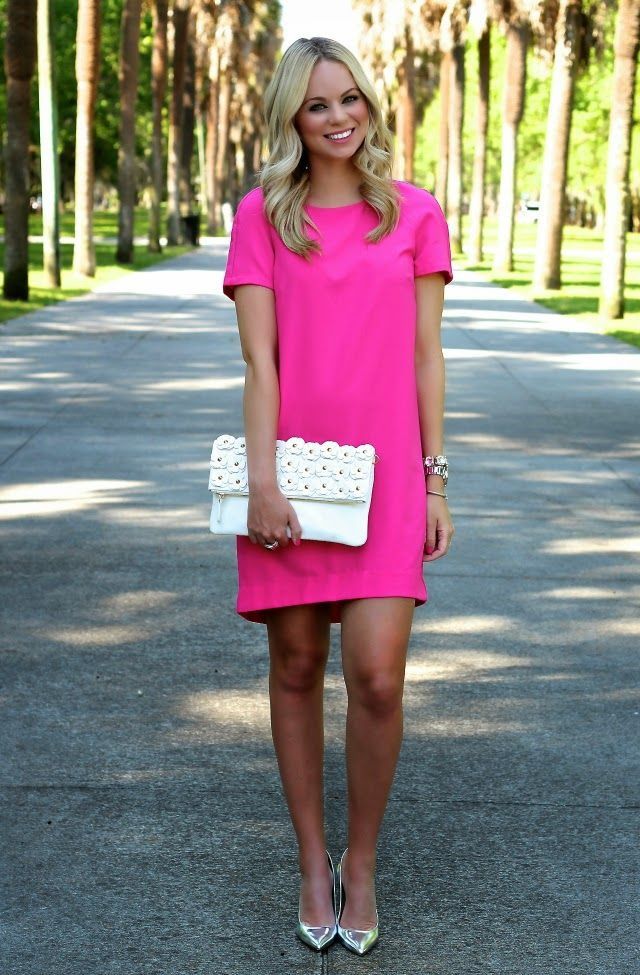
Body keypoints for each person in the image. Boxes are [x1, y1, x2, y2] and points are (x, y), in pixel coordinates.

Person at [221, 36, 454, 956]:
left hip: (390, 474)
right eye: (318, 104)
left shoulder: (414, 215)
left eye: (350, 97)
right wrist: (264, 482)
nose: (340, 116)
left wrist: (437, 476)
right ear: (291, 117)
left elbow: (428, 356)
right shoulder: (262, 218)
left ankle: (363, 859)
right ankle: (313, 860)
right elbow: (259, 363)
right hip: (296, 480)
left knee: (378, 678)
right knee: (293, 670)